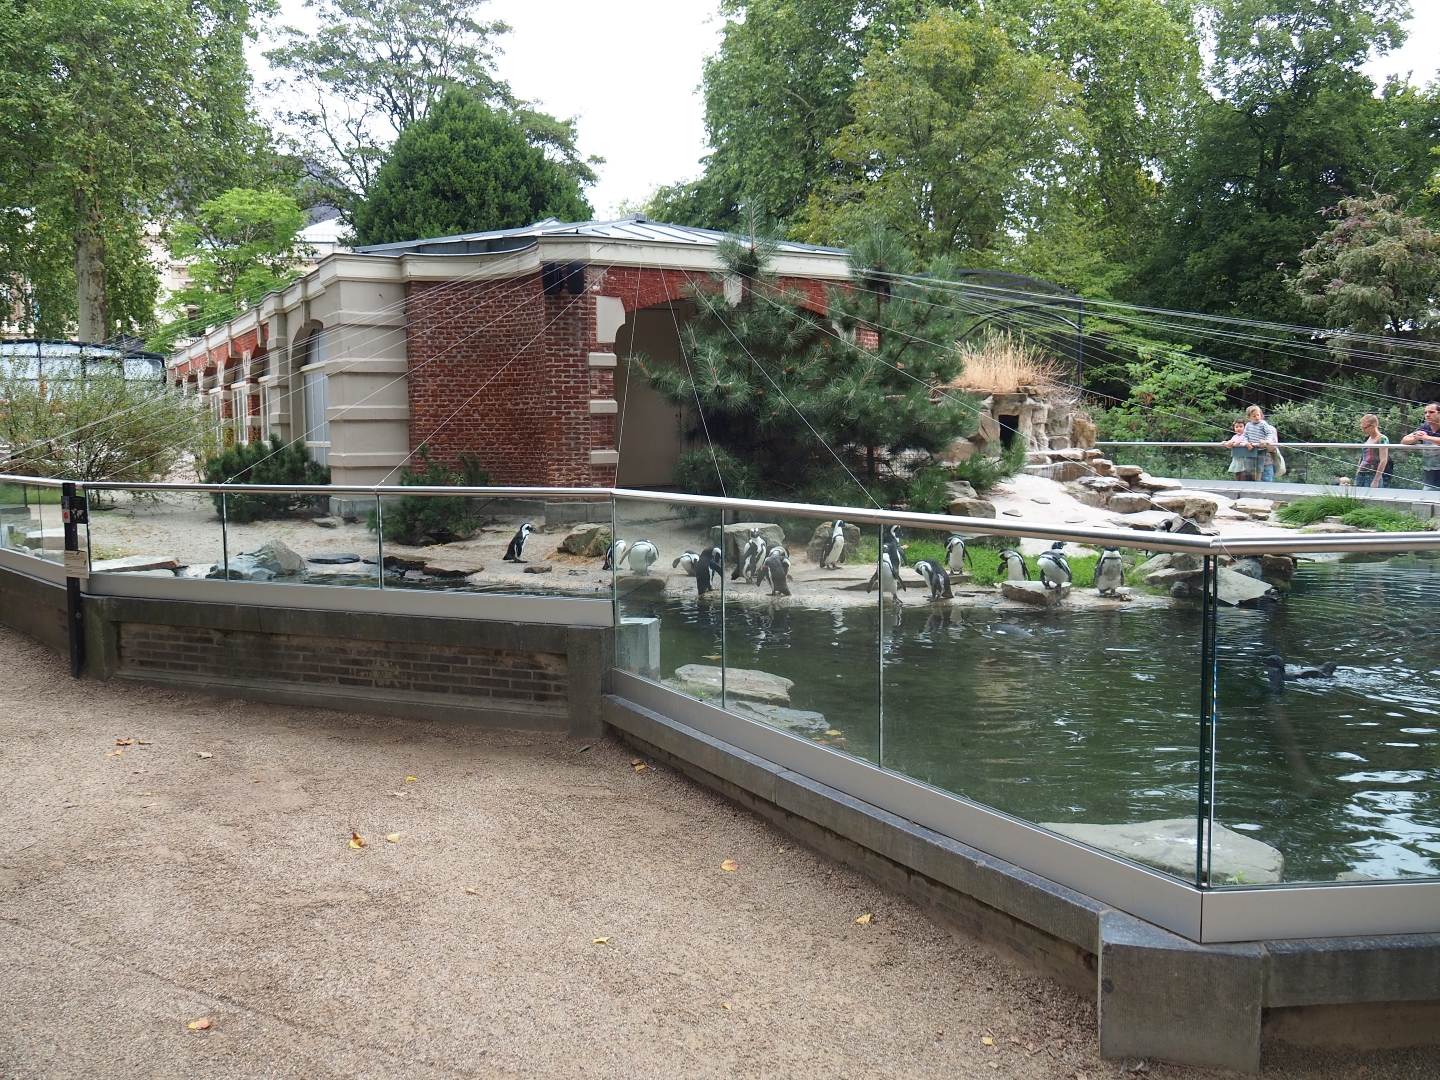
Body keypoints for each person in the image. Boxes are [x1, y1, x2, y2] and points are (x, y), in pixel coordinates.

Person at [1400, 403, 1440, 490]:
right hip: (1430, 475)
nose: (1427, 415)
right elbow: (1404, 440)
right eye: (1425, 412)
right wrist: (1415, 438)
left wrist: (1426, 437)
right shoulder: (1425, 426)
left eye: (1431, 412)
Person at [1244, 405, 1281, 483]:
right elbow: (1244, 436)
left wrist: (1265, 441)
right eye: (1254, 416)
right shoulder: (1248, 425)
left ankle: (1257, 481)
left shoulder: (1266, 426)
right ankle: (1255, 480)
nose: (1257, 417)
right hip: (1252, 453)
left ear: (1261, 415)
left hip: (1266, 462)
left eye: (1258, 415)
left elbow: (1273, 446)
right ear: (1249, 417)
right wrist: (1246, 443)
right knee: (1250, 468)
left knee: (1264, 484)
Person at [1355, 413, 1390, 488]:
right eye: (1362, 428)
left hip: (1373, 474)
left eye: (1365, 428)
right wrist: (1357, 472)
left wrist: (1376, 480)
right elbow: (1363, 457)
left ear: (1373, 425)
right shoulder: (1367, 438)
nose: (1363, 430)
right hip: (1361, 473)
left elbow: (1383, 460)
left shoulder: (1382, 439)